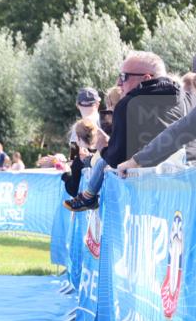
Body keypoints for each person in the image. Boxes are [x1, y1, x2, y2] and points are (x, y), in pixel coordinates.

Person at [66, 51, 192, 211]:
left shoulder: (128, 104)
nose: (119, 82)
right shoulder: (186, 100)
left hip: (143, 200)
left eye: (124, 76)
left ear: (147, 78)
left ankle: (87, 197)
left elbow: (117, 159)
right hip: (183, 194)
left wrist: (104, 146)